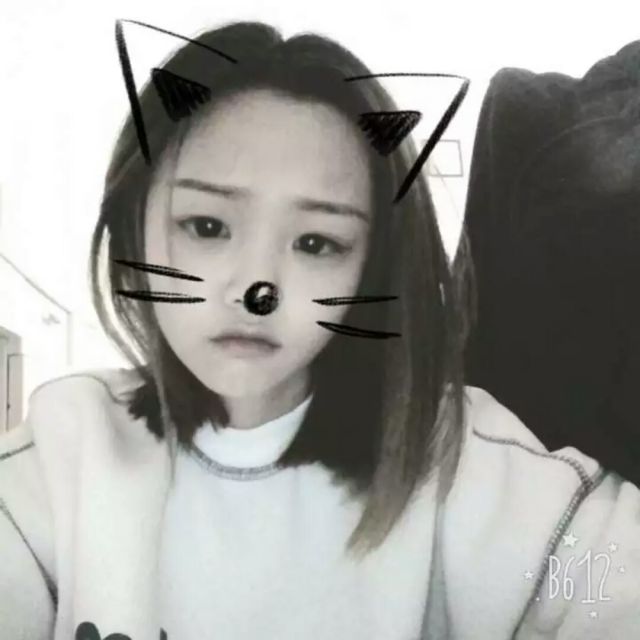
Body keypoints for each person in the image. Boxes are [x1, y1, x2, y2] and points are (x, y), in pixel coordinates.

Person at [0, 21, 638, 640]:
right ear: (134, 223)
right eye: (208, 227)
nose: (257, 289)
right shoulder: (62, 459)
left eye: (315, 242)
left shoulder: (467, 469)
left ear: (371, 264)